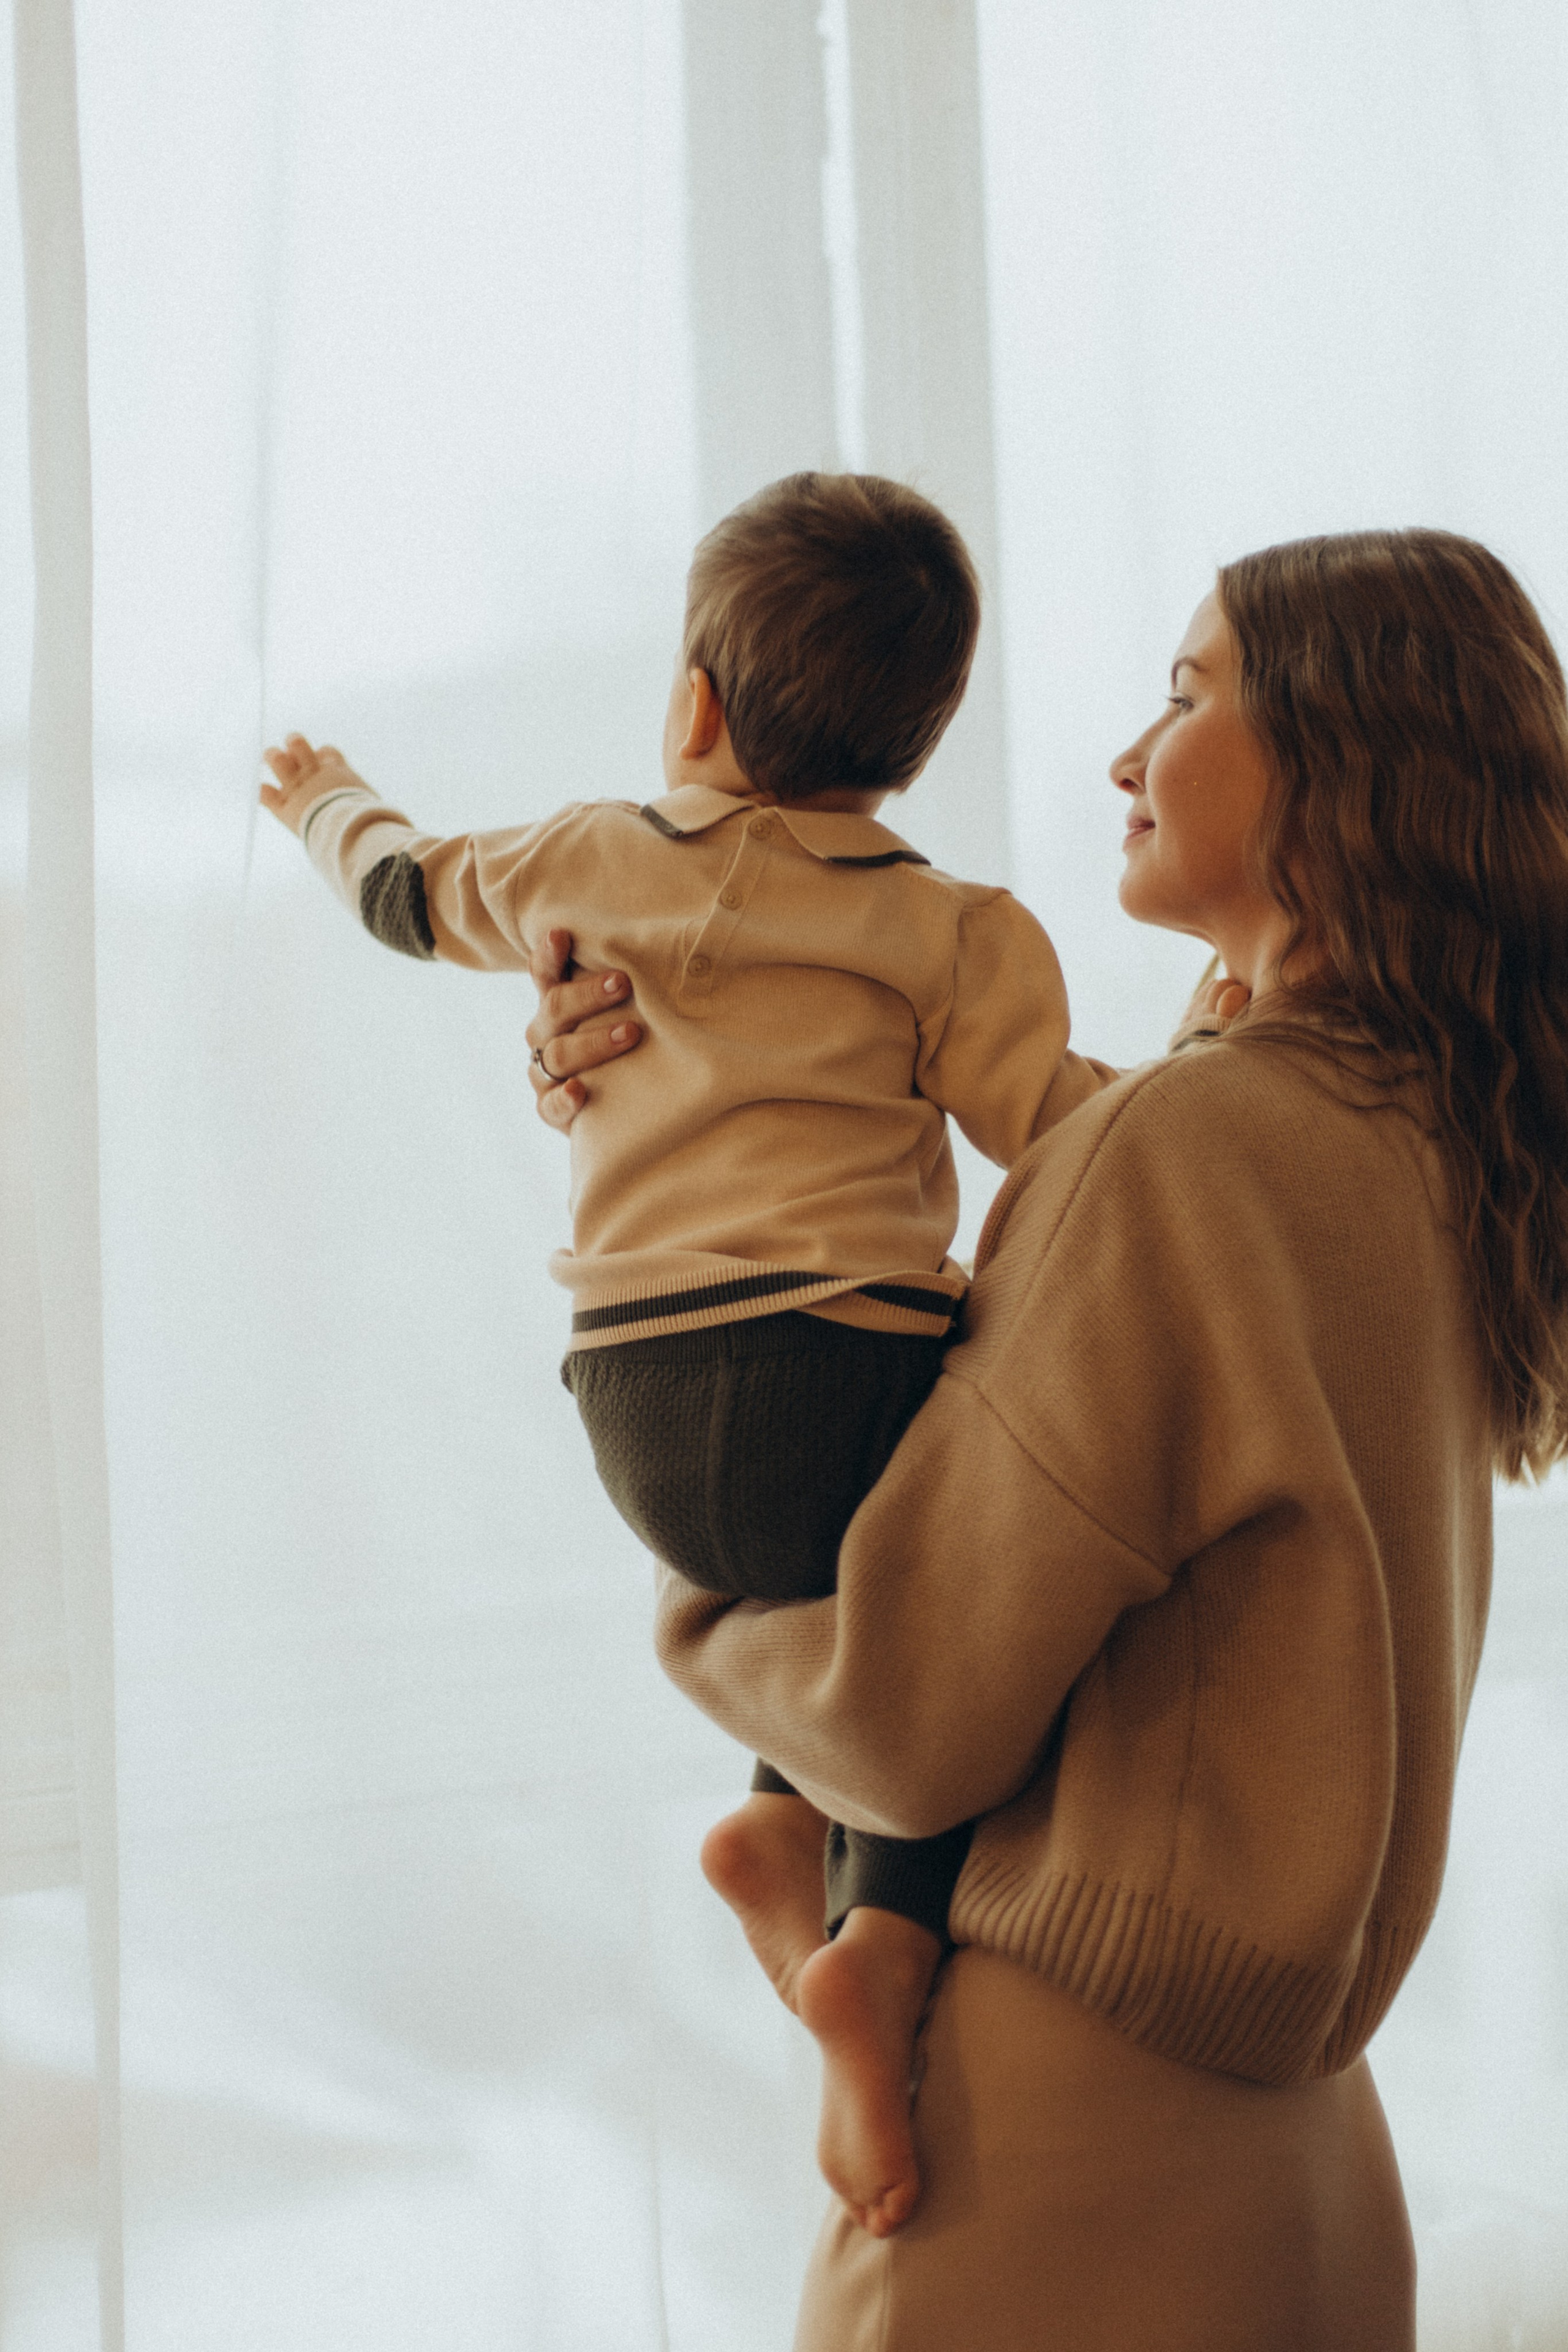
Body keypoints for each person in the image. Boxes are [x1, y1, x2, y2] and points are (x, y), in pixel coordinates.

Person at [524, 527, 1568, 2348]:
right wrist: (684, 1077)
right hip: (1315, 2172)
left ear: (1343, 749)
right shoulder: (1445, 1150)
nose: (1126, 756)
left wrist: (701, 1599)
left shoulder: (1190, 1156)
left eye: (1186, 695)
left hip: (1053, 2156)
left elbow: (901, 1717)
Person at [259, 470, 1137, 2237]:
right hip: (849, 1373)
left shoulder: (588, 861)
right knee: (946, 1608)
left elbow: (401, 898)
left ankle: (767, 1826)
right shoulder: (952, 930)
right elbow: (1071, 1135)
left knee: (829, 1594)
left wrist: (327, 799)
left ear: (694, 706)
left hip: (637, 1400)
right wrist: (1206, 1087)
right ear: (919, 740)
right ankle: (875, 1938)